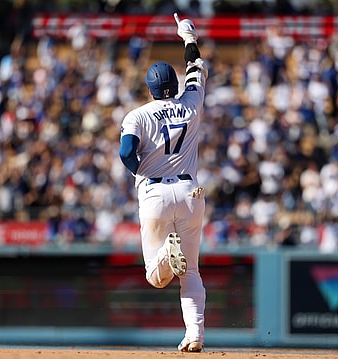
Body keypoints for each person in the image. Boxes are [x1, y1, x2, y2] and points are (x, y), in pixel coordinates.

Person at [119, 14, 207, 353]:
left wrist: (139, 169)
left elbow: (127, 152)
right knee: (193, 271)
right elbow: (196, 68)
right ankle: (195, 335)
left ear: (150, 88)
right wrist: (188, 37)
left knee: (157, 277)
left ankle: (168, 256)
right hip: (190, 191)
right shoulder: (191, 103)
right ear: (175, 82)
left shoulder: (138, 115)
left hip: (155, 191)